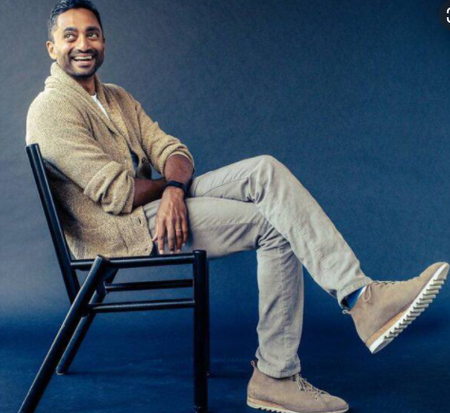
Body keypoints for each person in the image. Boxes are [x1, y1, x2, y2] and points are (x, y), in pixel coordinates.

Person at [25, 1, 448, 412]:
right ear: (52, 47)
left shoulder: (115, 96)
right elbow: (117, 193)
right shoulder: (51, 109)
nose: (83, 44)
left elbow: (174, 151)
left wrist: (174, 190)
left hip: (154, 203)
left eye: (92, 34)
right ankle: (276, 376)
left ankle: (362, 298)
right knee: (275, 226)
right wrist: (171, 189)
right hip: (120, 229)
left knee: (264, 170)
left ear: (104, 41)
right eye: (70, 36)